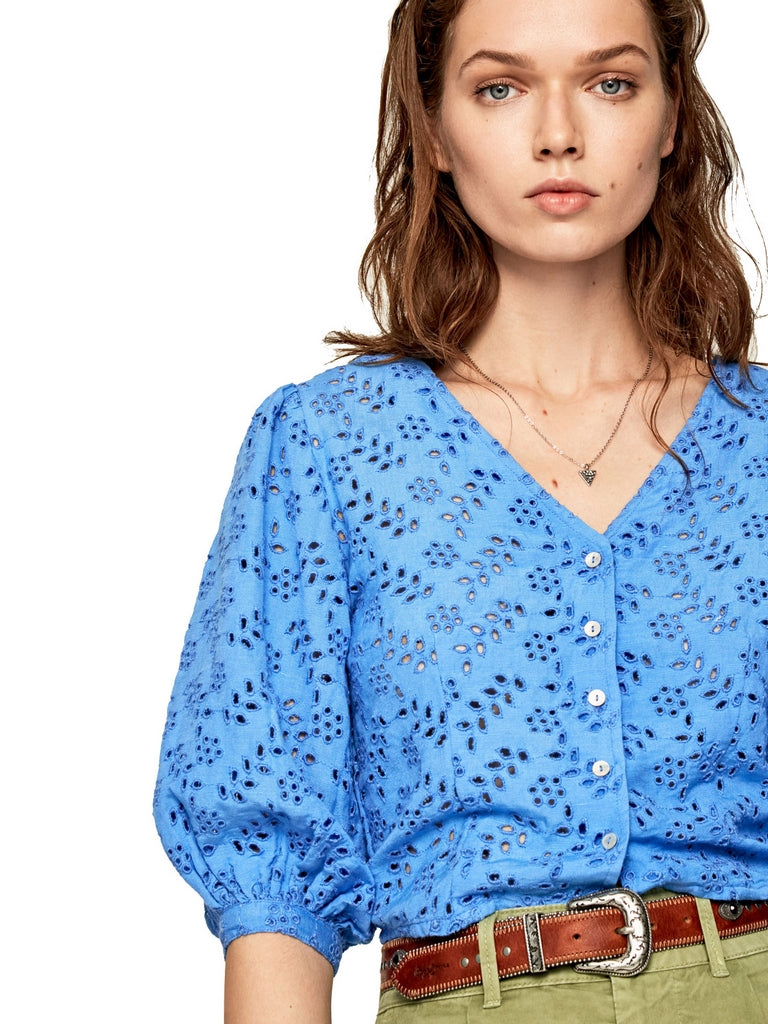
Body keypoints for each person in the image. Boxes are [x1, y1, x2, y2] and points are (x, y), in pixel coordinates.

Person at [153, 0, 768, 1020]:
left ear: (670, 118)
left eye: (611, 82)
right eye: (501, 87)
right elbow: (274, 876)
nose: (559, 132)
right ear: (434, 130)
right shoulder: (329, 448)